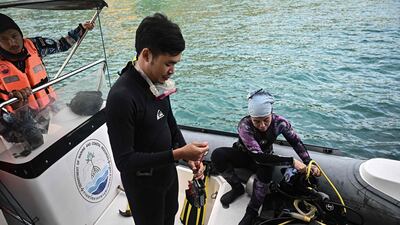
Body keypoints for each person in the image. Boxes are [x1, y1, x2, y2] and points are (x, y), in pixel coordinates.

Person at [105, 13, 209, 225]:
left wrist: (188, 156)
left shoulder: (157, 83)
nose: (172, 71)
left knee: (170, 214)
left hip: (167, 176)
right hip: (143, 187)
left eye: (176, 64)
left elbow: (169, 124)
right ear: (146, 55)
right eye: (168, 64)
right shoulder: (122, 97)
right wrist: (178, 153)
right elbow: (124, 161)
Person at [211, 89, 321, 225]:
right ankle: (237, 188)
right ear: (250, 117)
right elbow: (258, 157)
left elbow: (295, 142)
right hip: (245, 155)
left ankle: (252, 211)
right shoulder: (244, 126)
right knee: (217, 155)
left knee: (266, 169)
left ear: (271, 113)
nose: (262, 126)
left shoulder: (280, 122)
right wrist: (291, 162)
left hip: (264, 159)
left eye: (266, 120)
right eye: (257, 121)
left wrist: (308, 161)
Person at [0, 13, 94, 150]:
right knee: (35, 142)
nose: (11, 43)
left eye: (14, 36)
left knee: (75, 125)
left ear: (20, 34)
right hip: (14, 119)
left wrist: (81, 29)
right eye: (3, 39)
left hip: (44, 107)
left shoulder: (35, 45)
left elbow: (62, 44)